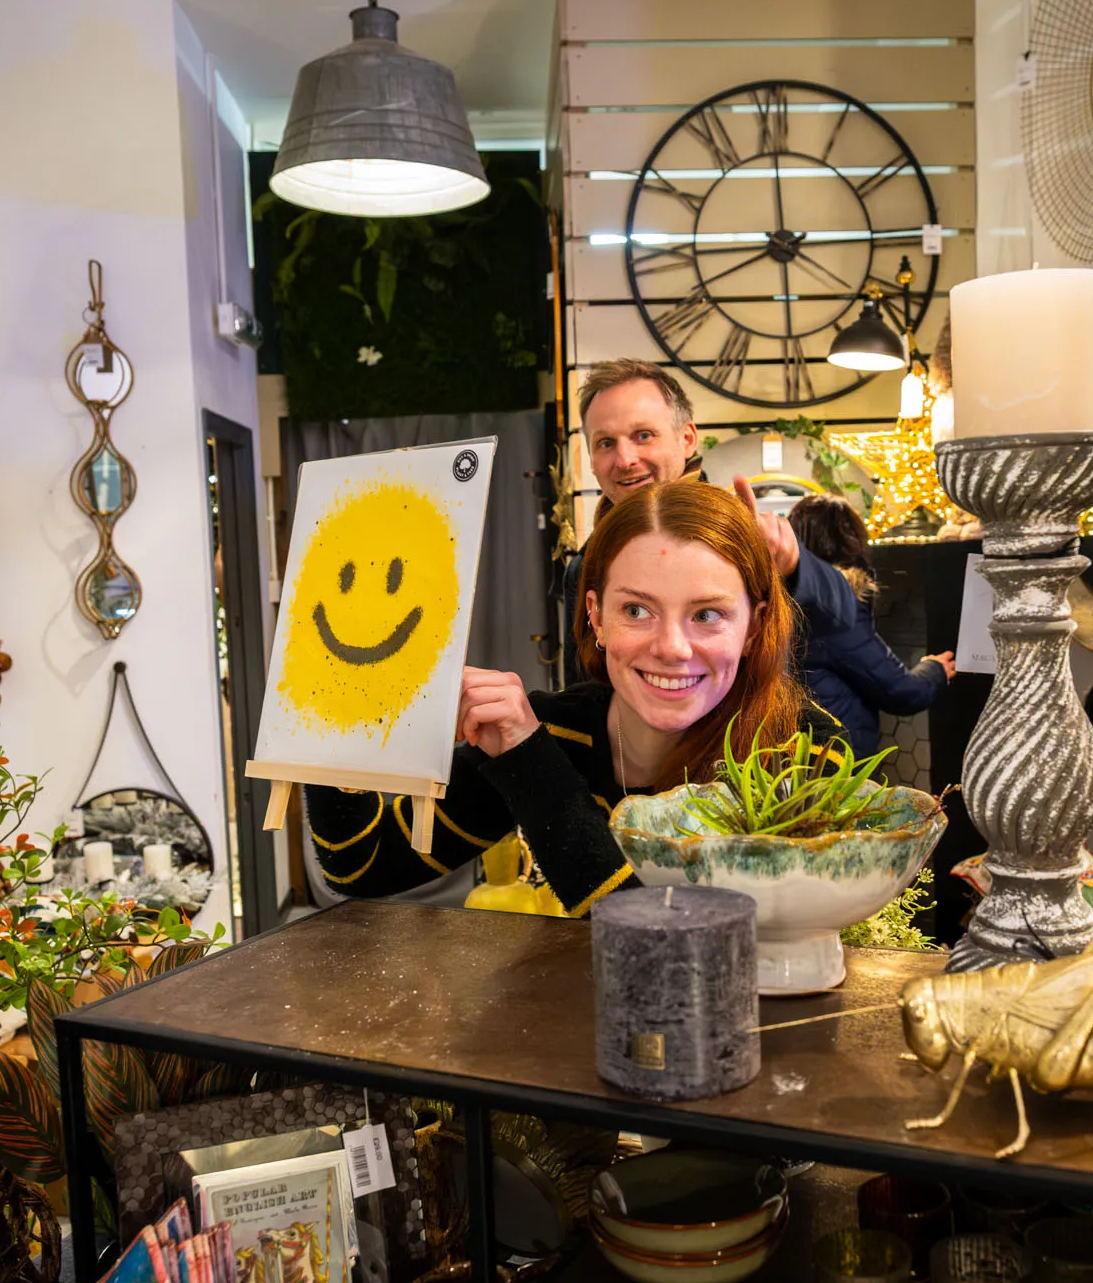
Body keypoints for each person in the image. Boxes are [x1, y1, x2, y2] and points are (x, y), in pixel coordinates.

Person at [307, 478, 841, 913]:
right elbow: (362, 868)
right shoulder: (552, 733)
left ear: (753, 627)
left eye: (708, 615)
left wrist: (531, 766)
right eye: (637, 610)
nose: (673, 648)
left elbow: (661, 940)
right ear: (595, 617)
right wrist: (329, 722)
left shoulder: (806, 751)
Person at [560, 358, 856, 685]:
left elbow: (843, 615)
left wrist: (792, 564)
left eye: (643, 435)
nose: (626, 459)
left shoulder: (736, 532)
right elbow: (583, 685)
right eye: (606, 443)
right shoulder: (586, 565)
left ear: (687, 439)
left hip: (737, 735)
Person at [785, 494, 955, 760]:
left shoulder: (783, 598)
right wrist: (934, 670)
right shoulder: (835, 607)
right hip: (834, 765)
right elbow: (901, 692)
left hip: (790, 753)